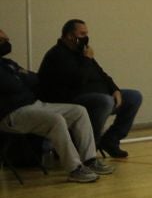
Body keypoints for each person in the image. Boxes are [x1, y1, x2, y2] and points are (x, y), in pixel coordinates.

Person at [1, 28, 114, 183]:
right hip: (11, 114)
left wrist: (20, 79)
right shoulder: (13, 68)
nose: (7, 43)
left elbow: (34, 79)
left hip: (34, 104)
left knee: (78, 111)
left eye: (7, 40)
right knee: (55, 119)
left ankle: (90, 159)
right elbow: (12, 85)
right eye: (2, 41)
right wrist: (20, 78)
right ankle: (74, 169)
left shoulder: (7, 64)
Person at [37, 19, 144, 158]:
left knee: (133, 97)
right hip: (73, 99)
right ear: (70, 36)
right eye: (82, 34)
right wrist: (87, 59)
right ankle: (88, 146)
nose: (86, 37)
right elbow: (77, 81)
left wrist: (115, 89)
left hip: (98, 94)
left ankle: (111, 140)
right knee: (105, 101)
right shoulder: (57, 55)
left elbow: (102, 73)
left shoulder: (81, 51)